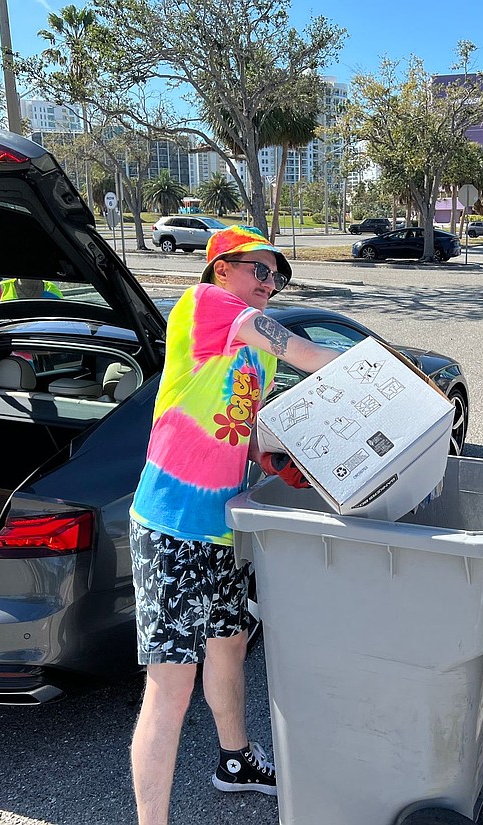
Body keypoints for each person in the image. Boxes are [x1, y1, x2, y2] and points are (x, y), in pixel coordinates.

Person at [127, 225, 340, 825]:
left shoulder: (250, 354)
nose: (272, 285)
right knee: (171, 686)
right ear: (223, 269)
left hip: (222, 525)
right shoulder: (204, 306)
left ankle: (236, 760)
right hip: (171, 523)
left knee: (228, 647)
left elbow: (241, 434)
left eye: (279, 276)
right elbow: (300, 349)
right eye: (261, 271)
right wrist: (376, 372)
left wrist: (274, 460)